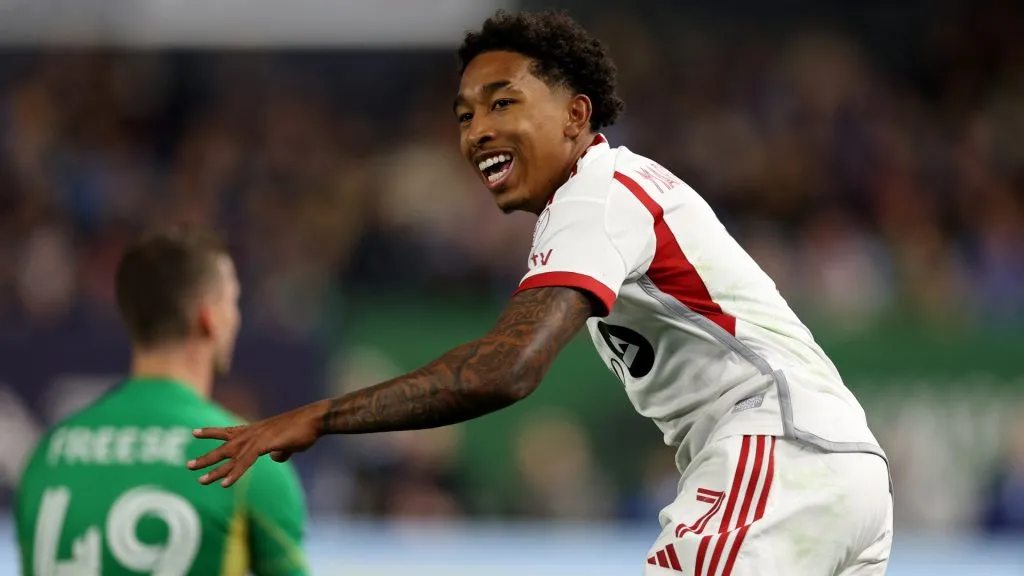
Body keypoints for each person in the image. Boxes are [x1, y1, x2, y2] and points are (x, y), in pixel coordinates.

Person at [188, 10, 893, 575]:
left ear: (576, 116)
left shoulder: (598, 193)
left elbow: (507, 368)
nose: (479, 130)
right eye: (465, 115)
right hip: (834, 471)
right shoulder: (609, 196)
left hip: (779, 458)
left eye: (504, 102)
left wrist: (319, 417)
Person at [15, 225, 311, 576]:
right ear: (209, 317)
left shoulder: (47, 455)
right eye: (232, 301)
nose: (237, 316)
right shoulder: (247, 462)